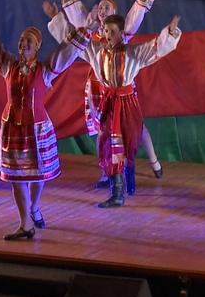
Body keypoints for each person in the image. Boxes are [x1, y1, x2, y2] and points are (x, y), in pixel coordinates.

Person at [0, 0, 93, 239]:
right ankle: (25, 224)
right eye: (22, 40)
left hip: (37, 129)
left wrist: (87, 29)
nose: (23, 44)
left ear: (37, 46)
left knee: (36, 175)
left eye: (29, 41)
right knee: (16, 178)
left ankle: (34, 207)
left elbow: (66, 53)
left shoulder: (45, 70)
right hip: (12, 127)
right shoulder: (9, 66)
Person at [44, 0, 165, 195]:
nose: (102, 10)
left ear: (115, 15)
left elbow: (135, 17)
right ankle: (108, 172)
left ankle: (152, 161)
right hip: (98, 89)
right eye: (100, 7)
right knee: (103, 132)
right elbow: (75, 27)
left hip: (121, 91)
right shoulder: (92, 37)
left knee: (134, 128)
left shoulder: (122, 35)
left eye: (107, 7)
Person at [77, 12, 181, 208]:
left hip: (126, 104)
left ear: (121, 33)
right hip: (109, 104)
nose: (107, 35)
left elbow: (155, 48)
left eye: (112, 31)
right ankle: (117, 192)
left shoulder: (132, 53)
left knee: (127, 143)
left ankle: (127, 182)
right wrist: (56, 17)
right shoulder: (98, 53)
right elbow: (78, 44)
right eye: (105, 31)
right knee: (109, 146)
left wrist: (170, 33)